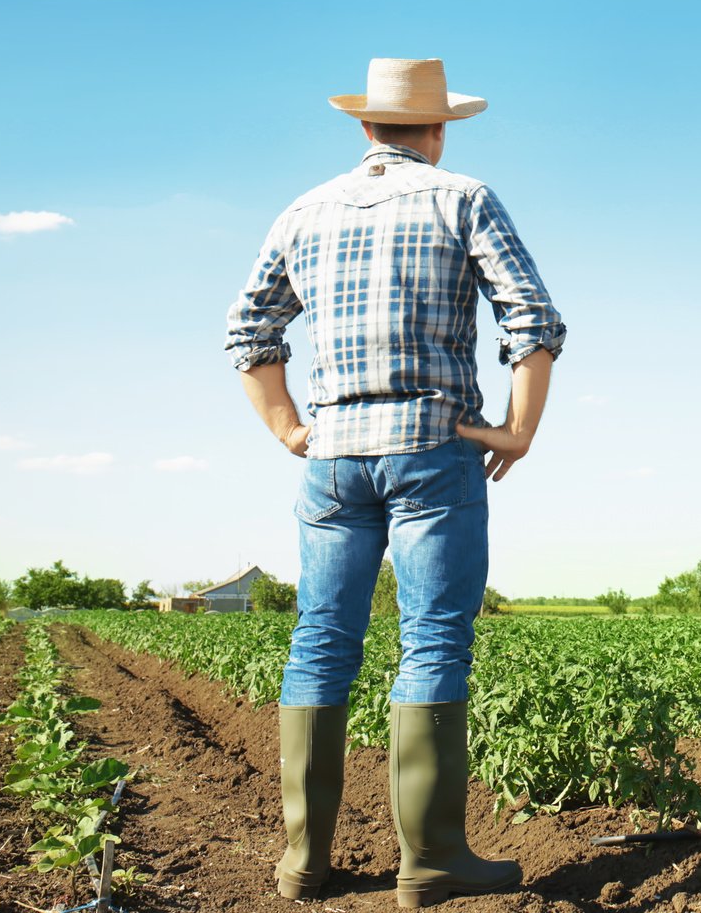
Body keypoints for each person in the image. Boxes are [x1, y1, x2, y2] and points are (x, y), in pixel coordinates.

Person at [224, 57, 565, 907]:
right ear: (439, 129)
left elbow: (247, 329)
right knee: (434, 640)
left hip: (335, 457)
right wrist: (518, 431)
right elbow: (533, 319)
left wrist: (292, 428)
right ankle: (433, 859)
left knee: (320, 642)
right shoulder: (465, 197)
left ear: (365, 127)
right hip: (431, 446)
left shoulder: (305, 210)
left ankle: (304, 862)